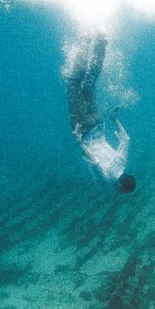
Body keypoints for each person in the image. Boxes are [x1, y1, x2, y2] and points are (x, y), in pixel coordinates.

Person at [65, 34, 136, 192]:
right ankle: (84, 41)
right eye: (122, 191)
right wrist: (79, 141)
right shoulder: (107, 179)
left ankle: (101, 41)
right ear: (121, 187)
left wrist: (114, 119)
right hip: (84, 129)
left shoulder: (122, 162)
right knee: (73, 82)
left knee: (89, 85)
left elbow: (126, 139)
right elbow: (95, 162)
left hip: (99, 123)